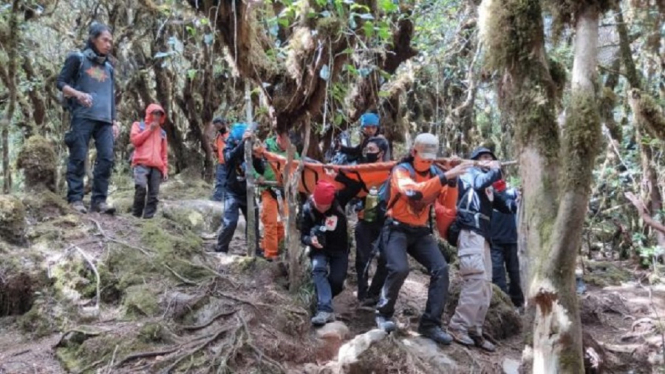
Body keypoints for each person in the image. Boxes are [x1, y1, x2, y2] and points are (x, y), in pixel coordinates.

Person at [374, 133, 472, 345]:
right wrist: (445, 177)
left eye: (430, 157)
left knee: (441, 269)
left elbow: (448, 204)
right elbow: (413, 193)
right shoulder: (401, 171)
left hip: (420, 232)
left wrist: (452, 180)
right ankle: (383, 313)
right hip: (396, 228)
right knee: (399, 269)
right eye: (423, 156)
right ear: (413, 152)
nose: (427, 161)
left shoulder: (436, 173)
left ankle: (430, 324)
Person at [448, 147, 513, 352]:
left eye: (491, 159)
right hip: (470, 231)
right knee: (475, 279)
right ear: (475, 160)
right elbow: (477, 183)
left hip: (484, 237)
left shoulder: (489, 187)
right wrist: (495, 170)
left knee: (486, 285)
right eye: (484, 158)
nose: (488, 161)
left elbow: (506, 206)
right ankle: (458, 326)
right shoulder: (469, 173)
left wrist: (515, 197)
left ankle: (475, 329)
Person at [57, 23, 120, 214]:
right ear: (93, 39)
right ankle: (75, 199)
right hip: (82, 116)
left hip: (105, 120)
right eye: (104, 40)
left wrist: (115, 120)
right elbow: (60, 83)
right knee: (77, 156)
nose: (108, 44)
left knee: (107, 158)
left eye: (110, 41)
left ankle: (99, 201)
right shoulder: (78, 58)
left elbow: (110, 95)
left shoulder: (109, 68)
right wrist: (78, 94)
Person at [301, 178, 363, 326]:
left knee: (337, 281)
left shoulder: (339, 199)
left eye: (325, 206)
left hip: (340, 248)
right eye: (319, 205)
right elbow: (303, 234)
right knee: (318, 269)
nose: (322, 209)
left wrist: (337, 175)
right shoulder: (307, 208)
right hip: (319, 248)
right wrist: (310, 240)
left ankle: (322, 298)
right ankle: (325, 309)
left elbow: (356, 184)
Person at [213, 123, 263, 254]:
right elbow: (231, 157)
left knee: (253, 222)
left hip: (248, 193)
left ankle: (254, 250)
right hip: (232, 192)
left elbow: (261, 169)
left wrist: (258, 157)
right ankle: (221, 248)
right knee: (230, 222)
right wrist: (243, 143)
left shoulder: (250, 150)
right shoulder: (228, 149)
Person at [354, 136, 390, 305]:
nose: (368, 153)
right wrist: (358, 206)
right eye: (367, 150)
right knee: (362, 258)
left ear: (381, 153)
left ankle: (374, 292)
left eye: (372, 150)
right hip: (364, 220)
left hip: (385, 222)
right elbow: (352, 191)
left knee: (386, 259)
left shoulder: (392, 171)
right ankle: (362, 294)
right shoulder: (363, 170)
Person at [255, 132, 297, 260]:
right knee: (270, 221)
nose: (287, 145)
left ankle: (278, 248)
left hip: (285, 190)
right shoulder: (265, 147)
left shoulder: (292, 151)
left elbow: (298, 166)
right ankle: (270, 253)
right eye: (285, 141)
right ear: (279, 138)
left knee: (283, 223)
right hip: (268, 188)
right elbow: (251, 163)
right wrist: (257, 176)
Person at [130, 104, 168, 219]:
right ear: (149, 113)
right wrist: (149, 130)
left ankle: (148, 218)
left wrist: (165, 169)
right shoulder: (138, 125)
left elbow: (164, 153)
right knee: (141, 187)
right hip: (141, 163)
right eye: (155, 113)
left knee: (154, 194)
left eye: (159, 114)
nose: (157, 116)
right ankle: (136, 215)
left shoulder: (162, 133)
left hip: (157, 166)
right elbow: (135, 141)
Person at [489, 180, 524, 308]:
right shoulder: (487, 192)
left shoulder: (512, 192)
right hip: (494, 241)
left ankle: (518, 302)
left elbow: (519, 202)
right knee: (497, 274)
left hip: (512, 240)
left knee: (515, 273)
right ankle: (504, 305)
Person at [211, 117, 230, 202]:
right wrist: (214, 149)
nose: (218, 129)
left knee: (229, 183)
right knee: (219, 182)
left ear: (223, 124)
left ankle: (228, 200)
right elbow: (217, 149)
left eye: (219, 127)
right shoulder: (218, 136)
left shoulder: (231, 134)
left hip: (230, 163)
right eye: (216, 127)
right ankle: (217, 199)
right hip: (221, 162)